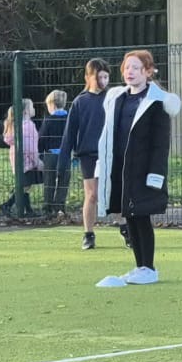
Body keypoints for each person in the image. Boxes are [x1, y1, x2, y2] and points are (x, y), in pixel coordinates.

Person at [93, 48, 180, 287]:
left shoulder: (157, 103)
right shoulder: (117, 99)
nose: (129, 72)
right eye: (127, 67)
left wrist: (155, 174)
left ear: (148, 72)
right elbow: (109, 136)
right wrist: (104, 165)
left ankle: (149, 268)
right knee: (128, 215)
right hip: (121, 168)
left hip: (143, 170)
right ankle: (139, 265)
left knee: (141, 216)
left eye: (135, 68)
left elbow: (160, 144)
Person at [62, 61, 109, 249]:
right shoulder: (79, 102)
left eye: (106, 76)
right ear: (88, 77)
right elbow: (70, 133)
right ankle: (88, 234)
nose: (102, 80)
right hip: (88, 154)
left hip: (109, 153)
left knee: (114, 192)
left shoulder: (113, 98)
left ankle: (125, 229)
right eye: (99, 76)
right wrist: (63, 160)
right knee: (92, 195)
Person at [0, 99, 40, 216]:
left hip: (17, 158)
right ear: (26, 111)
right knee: (25, 186)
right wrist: (36, 161)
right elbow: (29, 147)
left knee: (26, 185)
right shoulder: (28, 126)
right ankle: (7, 204)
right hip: (26, 159)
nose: (34, 109)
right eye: (32, 107)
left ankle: (28, 209)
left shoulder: (17, 125)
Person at [39, 90, 72, 220]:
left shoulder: (48, 120)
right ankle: (60, 206)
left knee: (49, 181)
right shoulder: (69, 119)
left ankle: (47, 207)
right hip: (65, 154)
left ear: (51, 104)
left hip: (51, 154)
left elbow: (42, 138)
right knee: (63, 181)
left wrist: (41, 153)